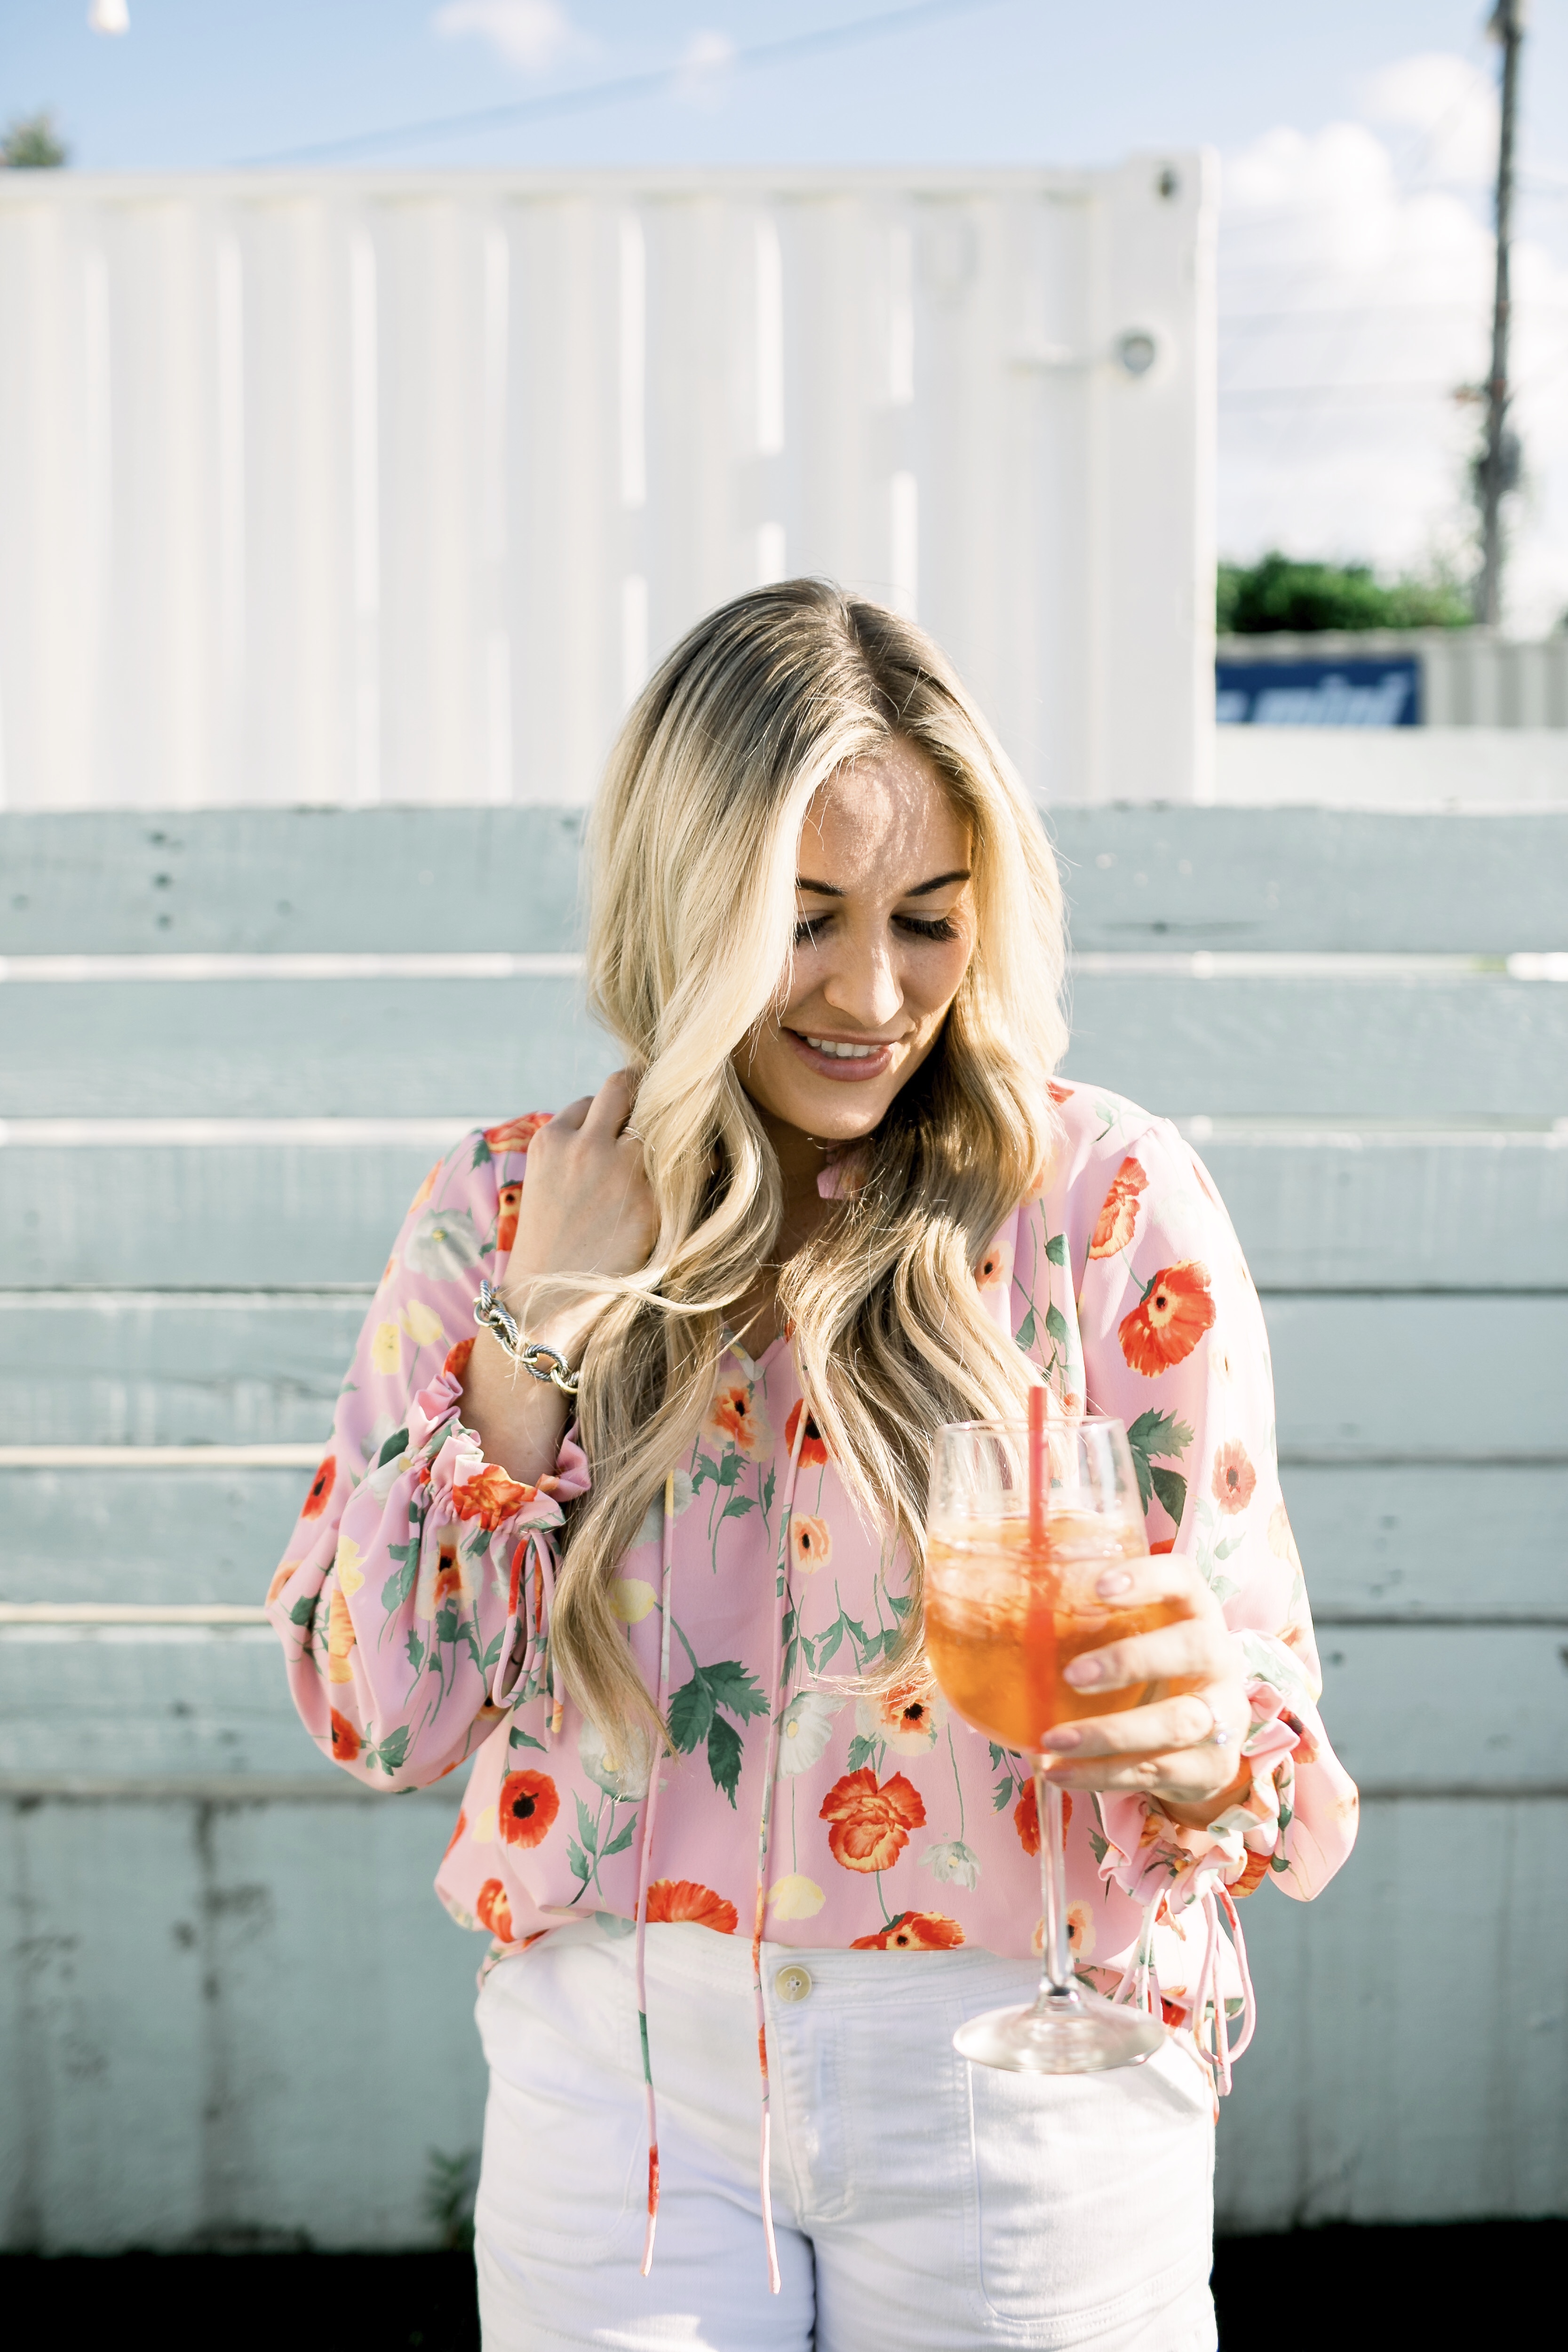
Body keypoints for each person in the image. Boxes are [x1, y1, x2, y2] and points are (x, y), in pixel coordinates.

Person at [268, 581, 1358, 2351]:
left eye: (931, 921)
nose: (874, 993)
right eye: (802, 917)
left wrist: (1213, 1734)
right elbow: (380, 1713)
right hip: (621, 2077)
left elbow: (1273, 1751)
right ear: (680, 901)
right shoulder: (501, 1204)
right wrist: (544, 1319)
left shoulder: (1105, 1207)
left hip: (1032, 2068)